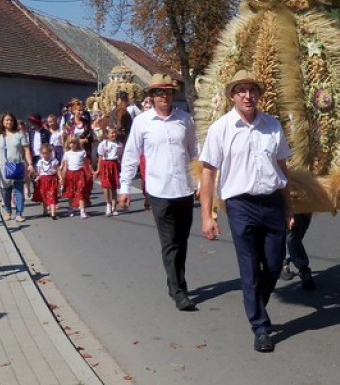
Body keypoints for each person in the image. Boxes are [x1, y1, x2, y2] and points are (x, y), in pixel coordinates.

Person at [201, 70, 294, 352]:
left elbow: (282, 168)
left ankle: (255, 305)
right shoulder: (221, 129)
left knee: (275, 264)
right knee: (250, 268)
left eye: (252, 90)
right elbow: (208, 173)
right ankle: (260, 327)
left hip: (272, 202)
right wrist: (207, 215)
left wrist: (289, 207)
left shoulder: (272, 126)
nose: (247, 95)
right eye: (241, 90)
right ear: (232, 96)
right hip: (241, 205)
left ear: (258, 95)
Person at [119, 74, 201, 311]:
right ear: (151, 96)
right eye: (158, 92)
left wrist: (198, 183)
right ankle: (179, 291)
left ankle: (174, 282)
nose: (163, 96)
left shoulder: (185, 120)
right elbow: (131, 155)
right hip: (158, 190)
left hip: (183, 189)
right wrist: (124, 188)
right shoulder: (143, 122)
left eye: (167, 92)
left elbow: (195, 152)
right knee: (169, 241)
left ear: (173, 94)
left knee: (181, 240)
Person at [0, 112, 34, 222]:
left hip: (17, 165)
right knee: (6, 191)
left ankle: (19, 213)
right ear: (2, 122)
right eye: (6, 120)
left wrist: (30, 164)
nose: (9, 122)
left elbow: (26, 149)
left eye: (11, 120)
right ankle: (8, 211)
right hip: (3, 167)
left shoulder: (19, 134)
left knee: (19, 190)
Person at [280, 213, 316, 290]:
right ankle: (303, 269)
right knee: (293, 232)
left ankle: (285, 259)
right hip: (290, 204)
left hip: (306, 203)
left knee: (303, 225)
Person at [61, 135, 94, 219]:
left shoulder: (81, 152)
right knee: (70, 193)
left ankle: (82, 211)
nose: (73, 145)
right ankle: (70, 209)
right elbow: (65, 166)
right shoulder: (67, 154)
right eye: (71, 143)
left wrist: (91, 171)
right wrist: (63, 177)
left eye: (74, 143)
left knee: (81, 192)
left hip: (79, 174)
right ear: (68, 144)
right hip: (70, 174)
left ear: (77, 144)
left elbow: (86, 163)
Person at [33, 143, 62, 220]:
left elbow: (57, 170)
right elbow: (39, 173)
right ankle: (45, 210)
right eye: (43, 153)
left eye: (47, 153)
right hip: (43, 181)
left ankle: (53, 213)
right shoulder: (40, 162)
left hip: (52, 180)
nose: (45, 155)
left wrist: (60, 178)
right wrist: (37, 177)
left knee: (52, 196)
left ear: (50, 153)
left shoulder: (54, 161)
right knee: (44, 196)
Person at [97, 126, 122, 216]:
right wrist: (98, 170)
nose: (113, 134)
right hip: (105, 164)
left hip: (114, 164)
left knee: (114, 187)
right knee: (106, 186)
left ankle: (114, 206)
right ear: (107, 135)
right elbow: (100, 157)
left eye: (114, 132)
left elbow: (119, 157)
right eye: (111, 133)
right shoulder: (103, 144)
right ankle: (108, 204)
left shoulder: (118, 144)